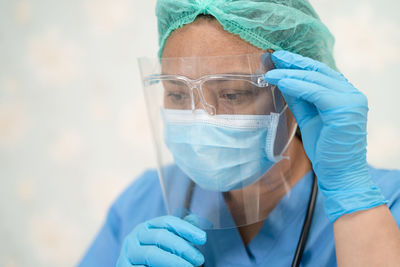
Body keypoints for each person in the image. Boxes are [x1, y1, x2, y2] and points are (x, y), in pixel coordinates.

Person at [79, 1, 400, 266]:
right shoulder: (142, 201)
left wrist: (353, 200)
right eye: (176, 93)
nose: (201, 117)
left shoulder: (387, 201)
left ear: (296, 93)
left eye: (232, 94)